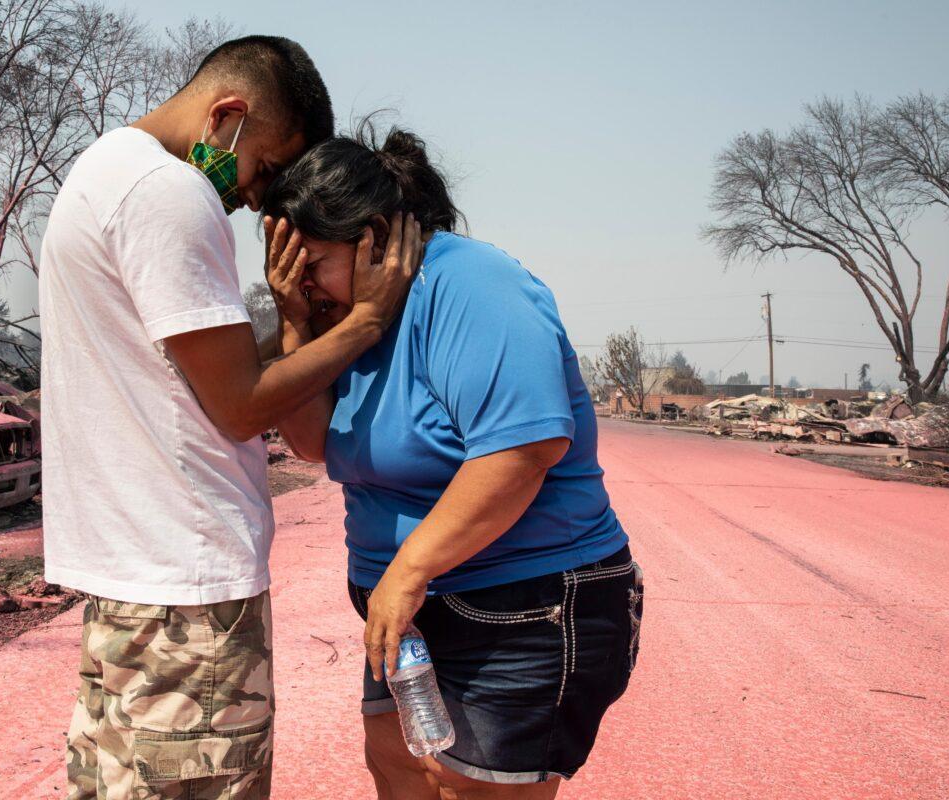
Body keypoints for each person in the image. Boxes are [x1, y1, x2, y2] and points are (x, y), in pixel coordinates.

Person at [39, 38, 421, 799]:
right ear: (228, 117)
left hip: (131, 577)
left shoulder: (103, 170)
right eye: (270, 168)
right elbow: (242, 406)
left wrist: (290, 321)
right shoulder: (168, 193)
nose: (258, 198)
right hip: (188, 584)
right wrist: (365, 321)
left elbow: (194, 373)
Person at [261, 124, 643, 799]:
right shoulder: (350, 319)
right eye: (286, 266)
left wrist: (410, 569)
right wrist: (295, 320)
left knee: (470, 789)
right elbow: (317, 443)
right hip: (407, 608)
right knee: (400, 768)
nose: (301, 281)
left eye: (312, 261)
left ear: (375, 236)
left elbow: (521, 451)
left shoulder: (471, 284)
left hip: (524, 601)